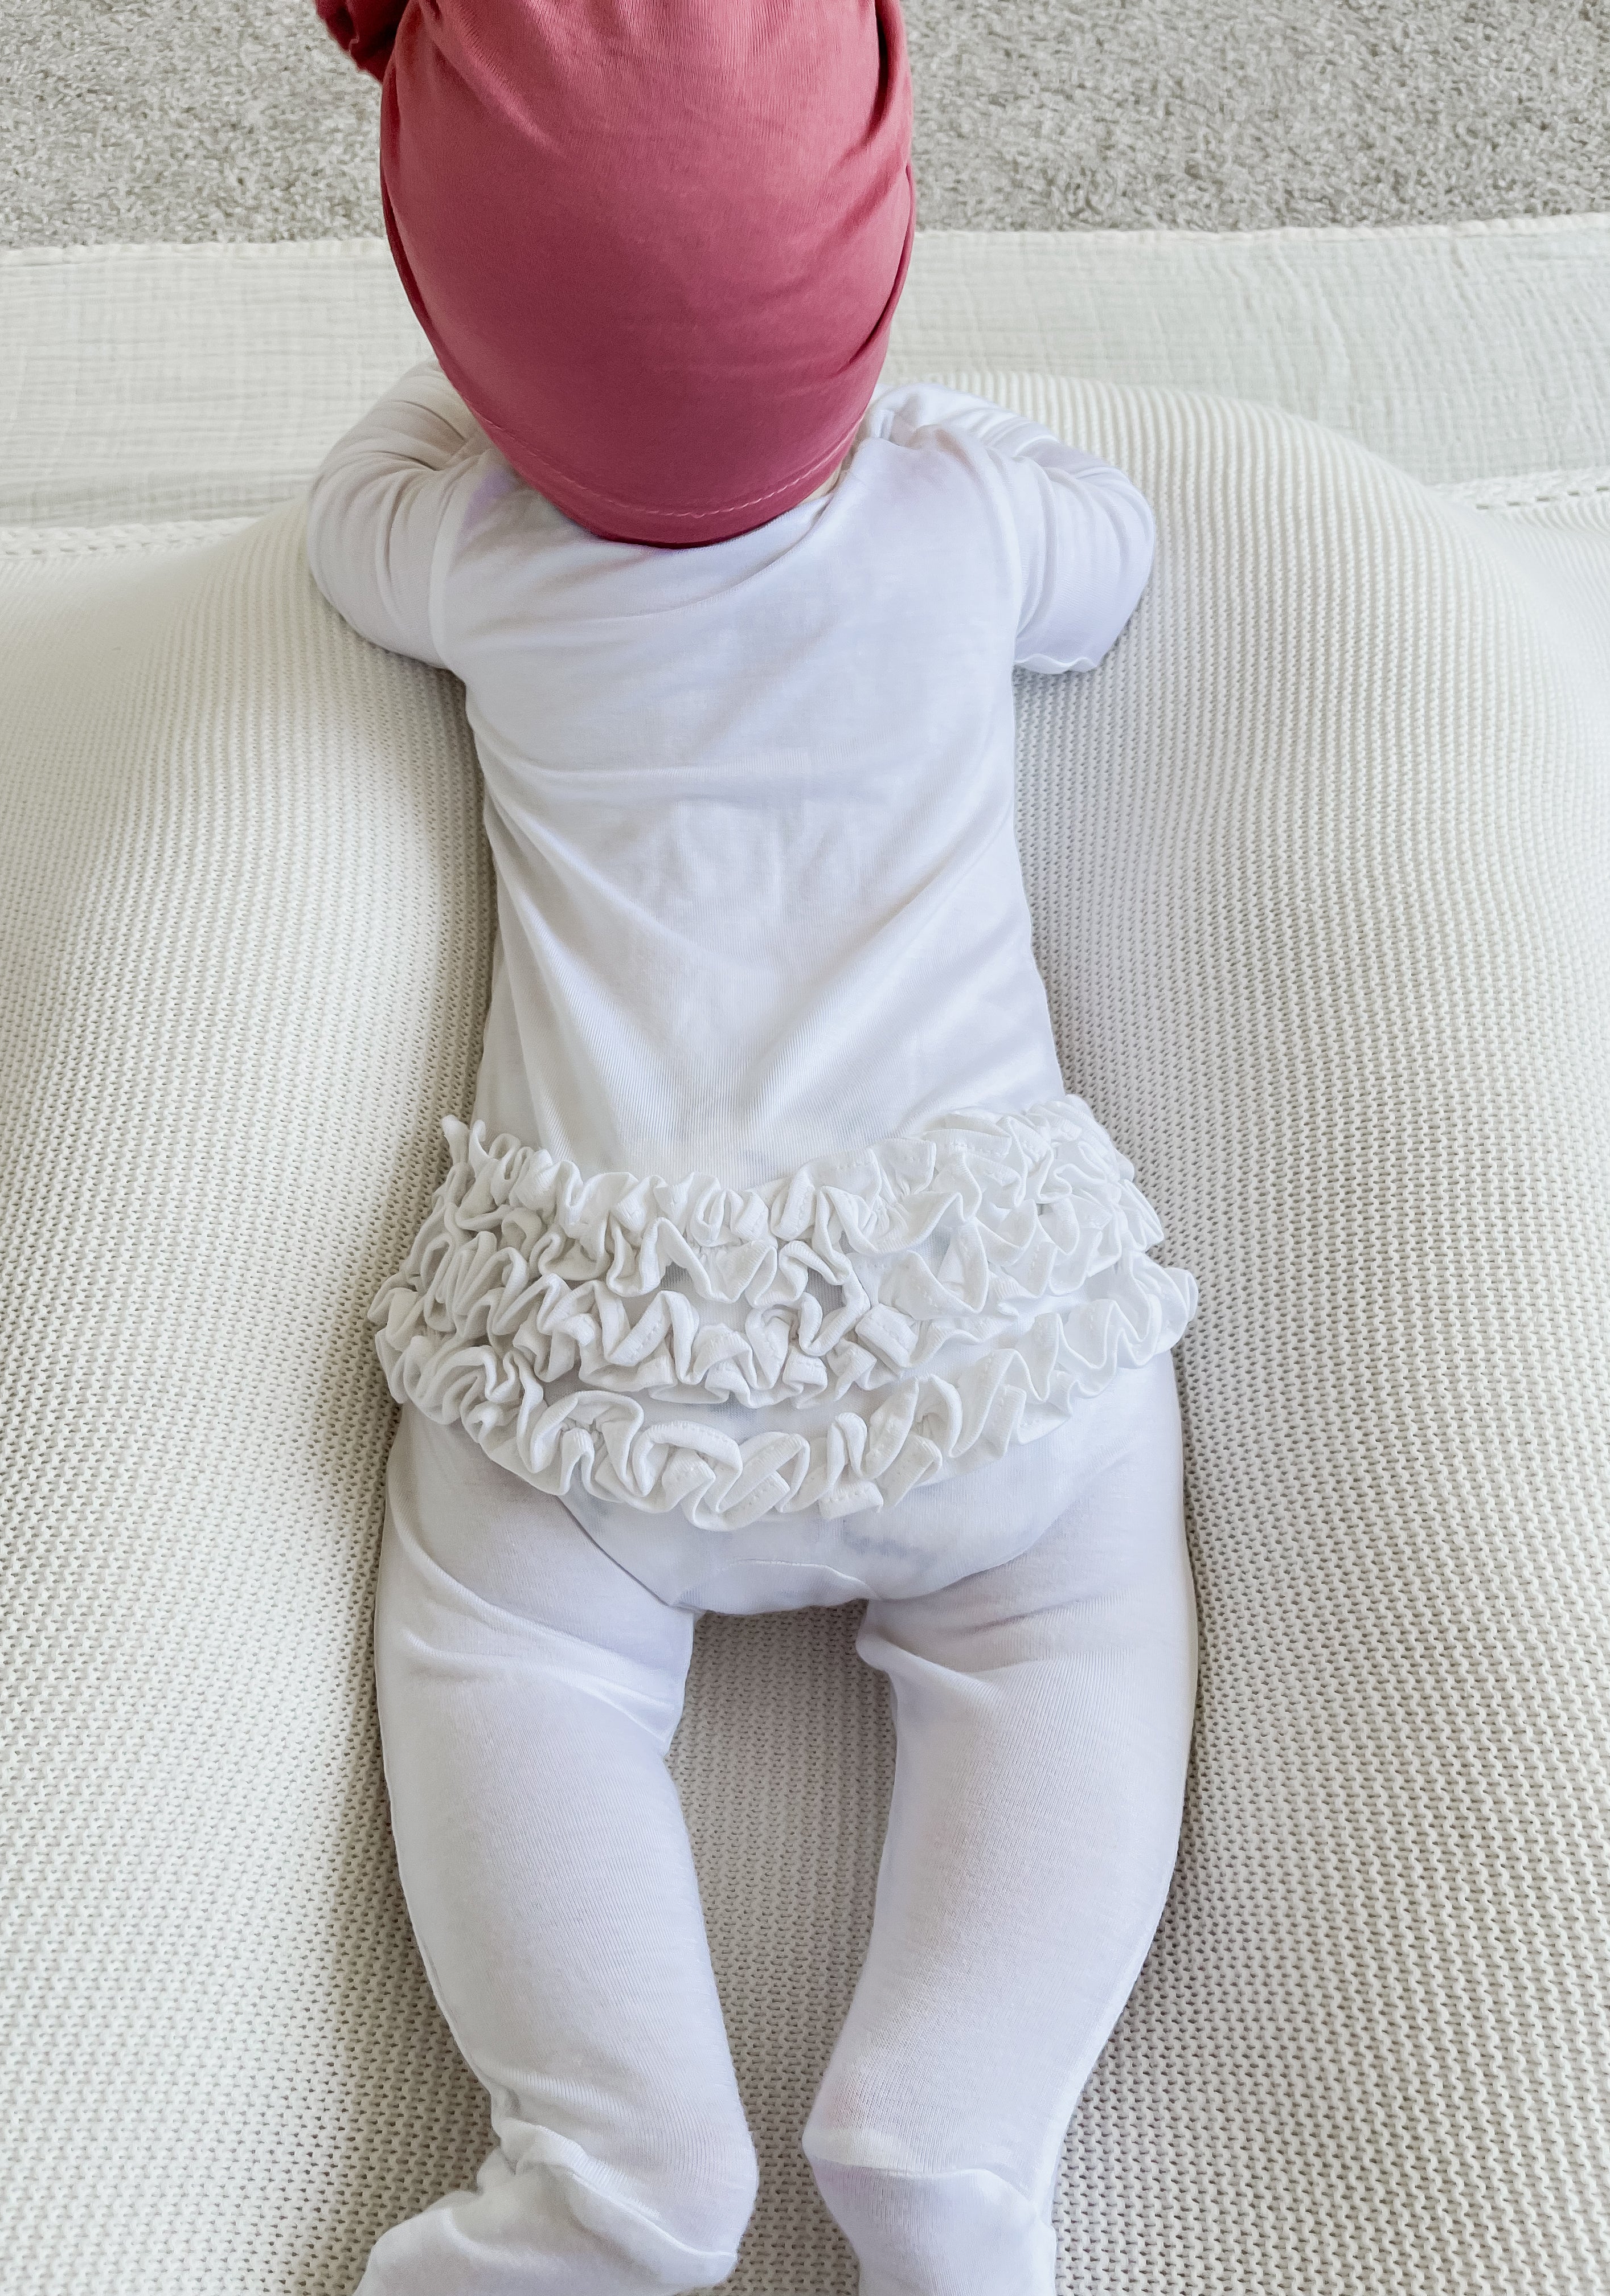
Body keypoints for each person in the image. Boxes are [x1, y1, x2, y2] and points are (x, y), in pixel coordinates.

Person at [308, 1, 1202, 2288]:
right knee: (1066, 1634)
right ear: (878, 267)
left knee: (507, 1659)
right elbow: (1116, 559)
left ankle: (617, 2172)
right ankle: (951, 2138)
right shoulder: (956, 521)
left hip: (605, 1338)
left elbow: (350, 522)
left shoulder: (479, 564)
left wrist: (502, 413)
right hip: (960, 1309)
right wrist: (926, 435)